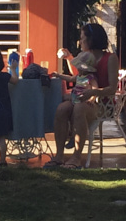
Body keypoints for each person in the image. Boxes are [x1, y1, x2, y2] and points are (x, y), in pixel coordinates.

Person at [46, 22, 119, 168]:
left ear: (91, 40)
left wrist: (93, 92)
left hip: (102, 103)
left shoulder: (110, 58)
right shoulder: (85, 56)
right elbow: (77, 76)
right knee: (61, 108)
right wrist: (68, 59)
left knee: (79, 109)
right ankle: (59, 155)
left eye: (82, 38)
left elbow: (112, 88)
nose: (80, 41)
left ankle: (76, 157)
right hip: (81, 99)